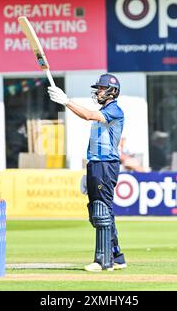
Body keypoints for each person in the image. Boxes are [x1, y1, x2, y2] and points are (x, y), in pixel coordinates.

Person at [48, 74, 127, 272]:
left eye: (101, 88)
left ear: (112, 91)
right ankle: (117, 256)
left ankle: (103, 261)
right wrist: (89, 169)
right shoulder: (104, 111)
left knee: (102, 211)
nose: (98, 91)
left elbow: (88, 115)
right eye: (98, 88)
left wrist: (66, 101)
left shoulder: (114, 110)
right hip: (96, 165)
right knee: (99, 212)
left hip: (106, 165)